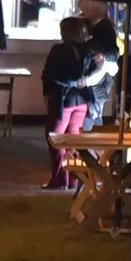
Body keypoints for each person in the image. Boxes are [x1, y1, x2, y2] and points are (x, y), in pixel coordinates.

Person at [40, 16, 94, 190]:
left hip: (63, 101)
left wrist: (47, 91)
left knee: (55, 139)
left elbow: (51, 75)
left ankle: (59, 179)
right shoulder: (88, 50)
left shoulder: (58, 50)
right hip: (82, 100)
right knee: (73, 141)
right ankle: (74, 180)